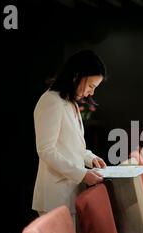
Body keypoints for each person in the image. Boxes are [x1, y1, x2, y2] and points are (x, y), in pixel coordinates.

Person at [32, 50, 107, 216]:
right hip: (54, 195)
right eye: (91, 86)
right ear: (77, 76)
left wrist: (90, 158)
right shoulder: (51, 101)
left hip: (70, 192)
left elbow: (72, 146)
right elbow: (46, 151)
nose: (91, 93)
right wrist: (82, 174)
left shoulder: (70, 102)